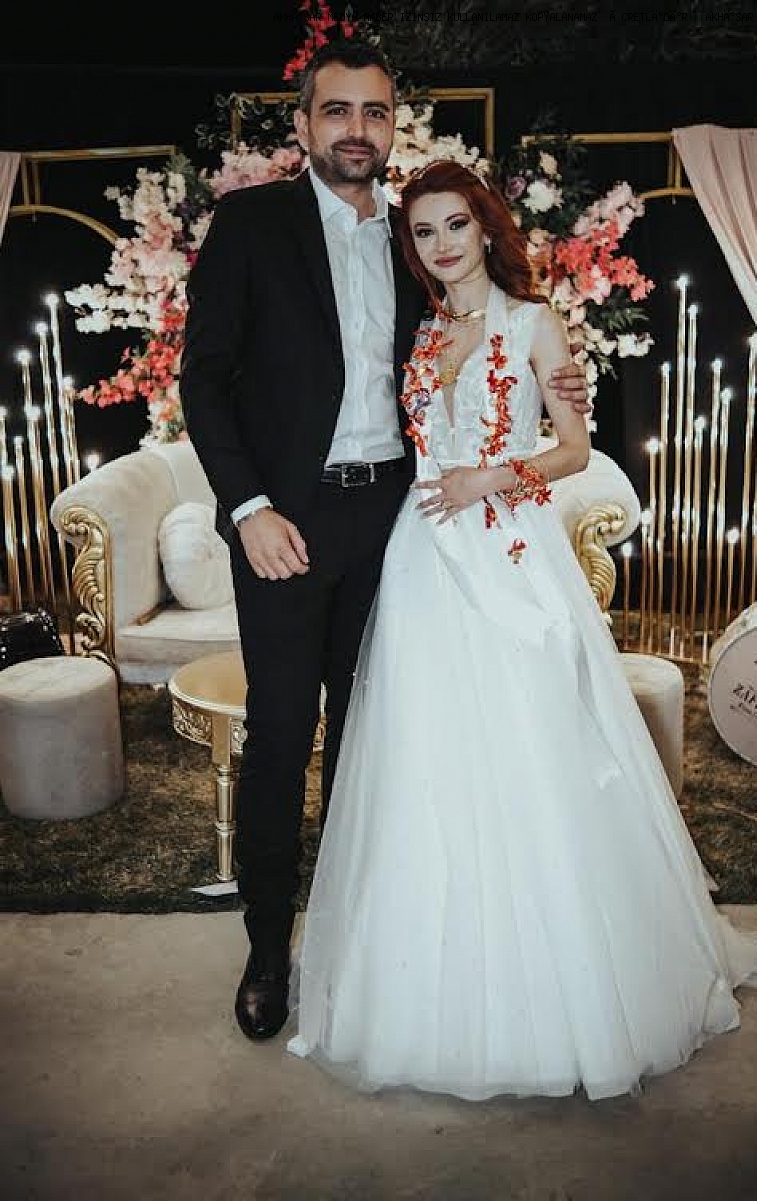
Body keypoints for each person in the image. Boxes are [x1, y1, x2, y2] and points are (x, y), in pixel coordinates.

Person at [286, 159, 757, 1102]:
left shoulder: (533, 323)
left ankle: (568, 988)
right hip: (422, 560)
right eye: (423, 231)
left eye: (455, 225)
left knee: (533, 744)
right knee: (426, 755)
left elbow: (577, 448)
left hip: (508, 550)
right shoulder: (421, 330)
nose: (441, 244)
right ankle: (426, 983)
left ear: (485, 227)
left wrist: (489, 477)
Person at [179, 40, 592, 1043]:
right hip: (286, 524)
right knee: (283, 735)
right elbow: (204, 380)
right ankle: (267, 948)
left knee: (383, 738)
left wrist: (556, 379)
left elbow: (479, 339)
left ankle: (364, 939)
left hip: (404, 526)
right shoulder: (252, 225)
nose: (356, 129)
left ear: (390, 124)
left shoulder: (416, 235)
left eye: (373, 111)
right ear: (304, 124)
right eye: (337, 110)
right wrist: (248, 509)